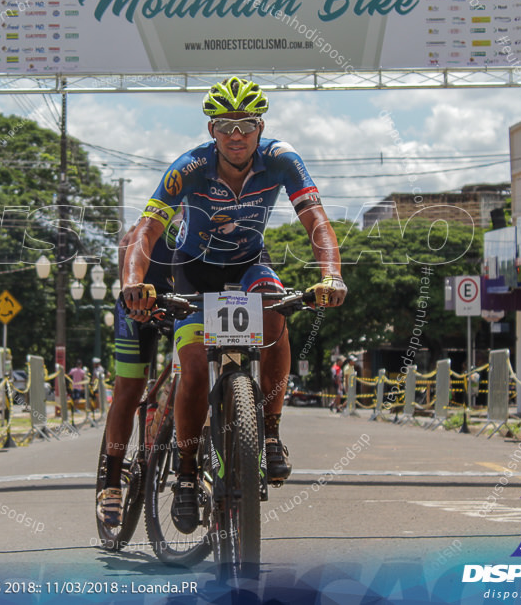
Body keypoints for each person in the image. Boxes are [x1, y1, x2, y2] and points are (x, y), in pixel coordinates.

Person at [122, 76, 347, 533]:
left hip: (248, 263)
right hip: (193, 270)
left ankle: (270, 432)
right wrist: (132, 283)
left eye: (246, 124)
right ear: (211, 131)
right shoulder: (189, 167)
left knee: (277, 310)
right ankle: (186, 475)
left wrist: (332, 274)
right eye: (225, 126)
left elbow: (317, 222)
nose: (237, 135)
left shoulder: (283, 160)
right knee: (192, 367)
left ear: (260, 126)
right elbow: (146, 231)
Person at [96, 219, 176, 527]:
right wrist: (132, 293)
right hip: (139, 305)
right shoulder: (147, 228)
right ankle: (112, 481)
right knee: (129, 391)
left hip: (188, 305)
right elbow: (128, 253)